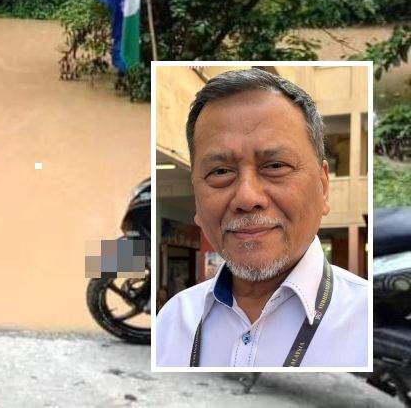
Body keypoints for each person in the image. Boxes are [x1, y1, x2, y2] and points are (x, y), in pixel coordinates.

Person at [155, 68, 368, 368]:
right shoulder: (171, 322)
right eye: (220, 172)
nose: (246, 198)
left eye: (275, 166)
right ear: (197, 199)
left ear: (322, 187)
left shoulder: (372, 327)